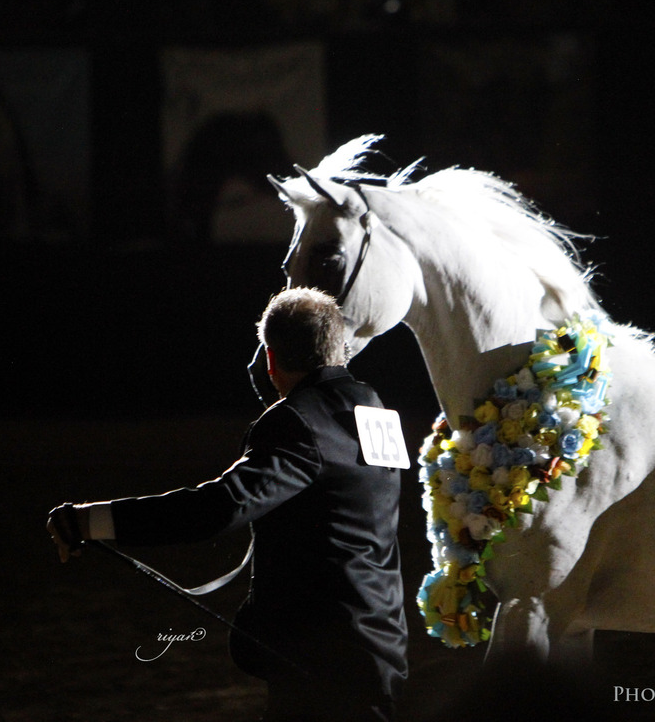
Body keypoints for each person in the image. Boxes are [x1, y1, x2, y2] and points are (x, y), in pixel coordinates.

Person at [47, 287, 408, 722]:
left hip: (320, 663)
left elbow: (219, 508)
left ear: (271, 360)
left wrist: (92, 521)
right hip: (381, 644)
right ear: (339, 348)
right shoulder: (373, 406)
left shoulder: (295, 421)